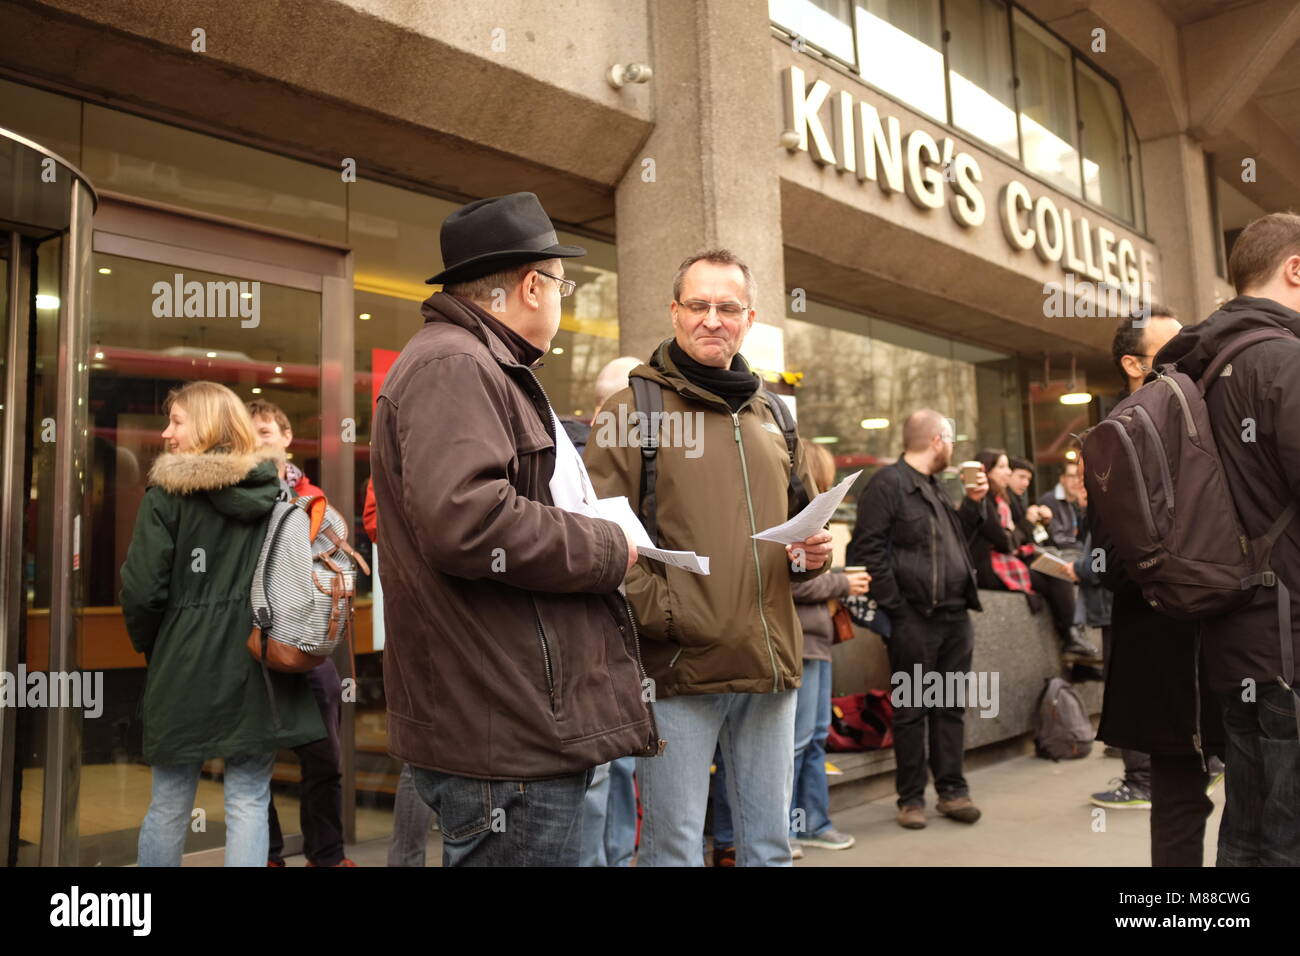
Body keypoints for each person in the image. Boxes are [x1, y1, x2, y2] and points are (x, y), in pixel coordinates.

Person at [370, 191, 656, 867]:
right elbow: (468, 521)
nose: (563, 298)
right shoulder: (455, 364)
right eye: (563, 284)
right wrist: (610, 547)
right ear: (533, 285)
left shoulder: (472, 361)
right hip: (508, 729)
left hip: (505, 722)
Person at [584, 248, 833, 867]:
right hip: (678, 669)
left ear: (749, 317)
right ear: (675, 311)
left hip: (769, 663)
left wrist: (811, 555)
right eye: (698, 305)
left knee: (769, 849)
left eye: (727, 307)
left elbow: (796, 530)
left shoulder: (774, 413)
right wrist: (670, 616)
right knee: (673, 851)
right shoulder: (631, 410)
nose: (712, 319)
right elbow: (600, 537)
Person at [122, 381, 325, 866]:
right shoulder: (273, 492)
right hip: (259, 664)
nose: (166, 433)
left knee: (170, 801)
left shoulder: (164, 498)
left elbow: (142, 591)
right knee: (249, 798)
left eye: (177, 421)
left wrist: (158, 644)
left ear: (208, 426)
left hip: (183, 668)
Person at [1151, 212, 1300, 865]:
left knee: (1246, 824)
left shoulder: (1192, 371)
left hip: (1227, 637)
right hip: (1291, 641)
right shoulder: (1284, 361)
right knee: (1286, 833)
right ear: (1295, 268)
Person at [710, 444, 869, 863]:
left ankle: (810, 822)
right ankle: (777, 829)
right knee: (789, 746)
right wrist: (841, 584)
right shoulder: (783, 514)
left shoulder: (809, 520)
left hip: (816, 641)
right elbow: (793, 582)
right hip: (793, 640)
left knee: (814, 738)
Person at [847, 410, 987, 829]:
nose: (953, 448)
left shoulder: (936, 486)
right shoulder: (888, 485)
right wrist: (899, 608)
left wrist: (974, 504)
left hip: (954, 616)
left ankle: (953, 791)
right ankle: (910, 799)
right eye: (951, 440)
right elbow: (867, 552)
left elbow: (956, 544)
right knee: (912, 708)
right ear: (937, 440)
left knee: (950, 706)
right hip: (915, 619)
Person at [245, 399, 355, 868]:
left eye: (266, 432)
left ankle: (326, 856)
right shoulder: (237, 496)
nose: (258, 441)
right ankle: (268, 854)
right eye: (249, 435)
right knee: (255, 762)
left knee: (324, 759)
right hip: (253, 642)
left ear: (287, 439)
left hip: (307, 641)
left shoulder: (312, 496)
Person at [575, 354, 645, 868]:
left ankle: (621, 858)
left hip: (636, 630)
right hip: (590, 634)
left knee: (621, 766)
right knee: (599, 769)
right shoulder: (568, 456)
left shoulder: (651, 451)